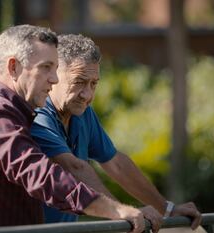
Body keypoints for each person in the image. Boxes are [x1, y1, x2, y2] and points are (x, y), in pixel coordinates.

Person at [0, 25, 152, 233]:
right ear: (13, 67)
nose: (54, 78)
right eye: (46, 67)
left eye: (55, 68)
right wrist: (116, 210)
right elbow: (41, 176)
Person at [30, 34, 203, 231]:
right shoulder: (37, 114)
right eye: (79, 81)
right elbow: (74, 168)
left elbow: (116, 163)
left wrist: (166, 209)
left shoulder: (81, 113)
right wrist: (121, 211)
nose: (87, 95)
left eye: (93, 83)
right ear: (54, 75)